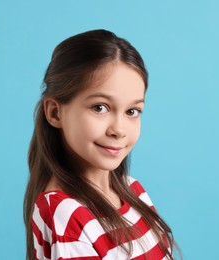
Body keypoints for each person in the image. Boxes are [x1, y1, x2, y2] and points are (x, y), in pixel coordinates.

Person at [24, 29, 179, 260]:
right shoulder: (65, 214)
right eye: (100, 107)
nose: (118, 130)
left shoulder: (133, 190)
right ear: (55, 113)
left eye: (132, 111)